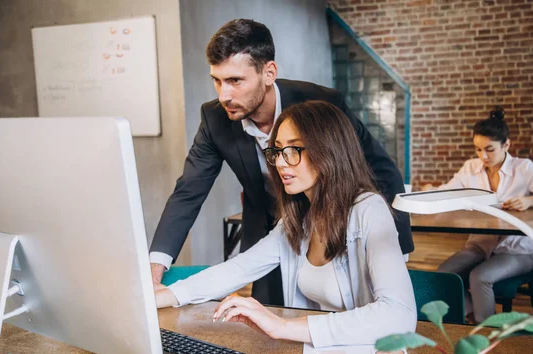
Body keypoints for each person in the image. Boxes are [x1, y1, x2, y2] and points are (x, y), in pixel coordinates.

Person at [149, 19, 414, 306]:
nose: (223, 95)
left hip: (335, 218)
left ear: (269, 73)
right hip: (276, 225)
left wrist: (394, 245)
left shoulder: (320, 104)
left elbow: (380, 167)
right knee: (269, 308)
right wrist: (156, 267)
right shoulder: (216, 118)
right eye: (217, 80)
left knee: (348, 297)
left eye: (235, 80)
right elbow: (189, 191)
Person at [155, 101, 416, 347]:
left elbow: (399, 316)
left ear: (329, 150)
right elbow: (238, 268)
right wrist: (164, 296)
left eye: (293, 150)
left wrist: (282, 327)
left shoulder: (369, 209)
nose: (280, 162)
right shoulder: (300, 218)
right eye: (277, 150)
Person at [424, 106, 533, 323]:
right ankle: (473, 320)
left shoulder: (523, 168)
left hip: (517, 251)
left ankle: (487, 335)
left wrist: (530, 201)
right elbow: (448, 193)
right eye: (477, 150)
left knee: (480, 277)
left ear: (506, 145)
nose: (482, 156)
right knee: (442, 275)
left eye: (489, 149)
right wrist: (430, 191)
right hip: (479, 245)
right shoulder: (470, 168)